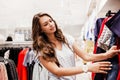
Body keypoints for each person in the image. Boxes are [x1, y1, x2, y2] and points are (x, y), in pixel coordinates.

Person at [32, 12, 120, 80]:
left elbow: (86, 56)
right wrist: (87, 68)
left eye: (51, 21)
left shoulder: (66, 39)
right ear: (41, 30)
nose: (51, 24)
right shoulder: (41, 49)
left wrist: (107, 55)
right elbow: (57, 71)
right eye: (46, 24)